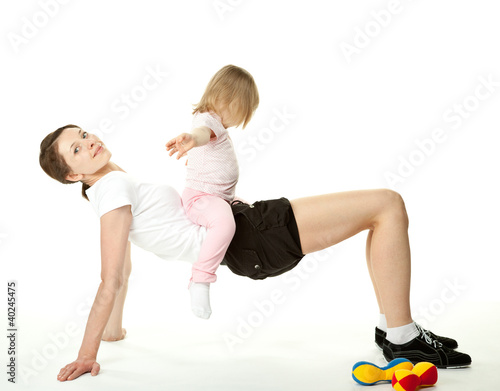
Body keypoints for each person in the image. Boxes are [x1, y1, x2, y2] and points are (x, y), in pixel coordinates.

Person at [39, 125, 472, 382]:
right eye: (75, 149)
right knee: (387, 205)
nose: (88, 141)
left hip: (250, 231)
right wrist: (87, 354)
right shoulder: (111, 190)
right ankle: (401, 338)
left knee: (382, 209)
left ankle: (392, 332)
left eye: (83, 134)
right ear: (73, 174)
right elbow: (110, 277)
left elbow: (124, 266)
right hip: (252, 237)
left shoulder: (113, 186)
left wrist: (114, 333)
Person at [165, 65, 259, 319]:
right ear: (226, 99)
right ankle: (200, 279)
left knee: (249, 214)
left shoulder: (217, 123)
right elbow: (202, 134)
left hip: (219, 198)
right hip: (201, 199)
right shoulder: (208, 121)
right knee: (225, 224)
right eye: (244, 109)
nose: (243, 118)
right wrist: (193, 140)